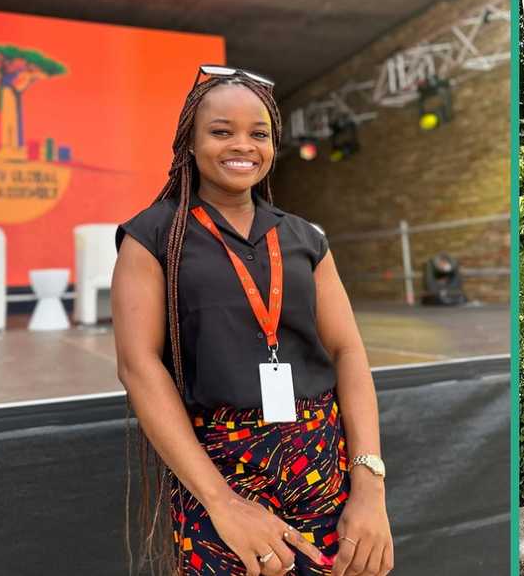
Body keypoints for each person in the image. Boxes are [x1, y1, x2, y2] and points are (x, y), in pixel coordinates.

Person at [112, 66, 393, 576]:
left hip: (322, 462)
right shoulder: (153, 235)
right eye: (221, 131)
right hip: (218, 466)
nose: (243, 145)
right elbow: (138, 366)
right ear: (189, 145)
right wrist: (222, 502)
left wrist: (369, 487)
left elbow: (348, 351)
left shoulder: (306, 238)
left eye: (258, 134)